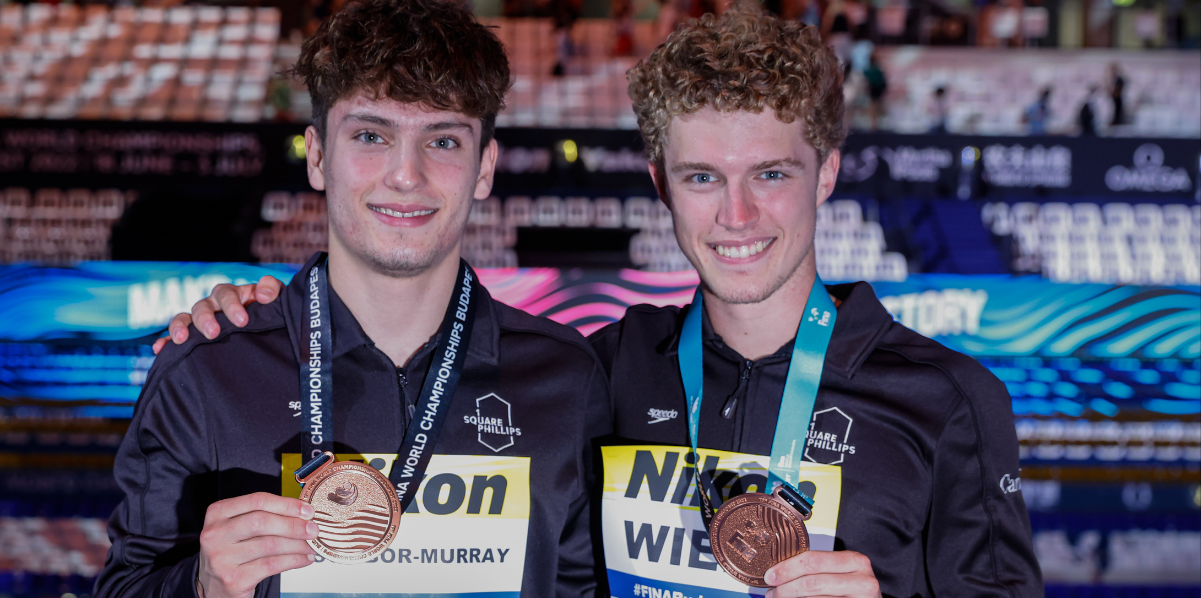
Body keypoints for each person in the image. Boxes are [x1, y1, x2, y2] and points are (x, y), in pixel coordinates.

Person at [162, 5, 1042, 597]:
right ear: (662, 184)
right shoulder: (609, 370)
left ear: (827, 178)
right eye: (703, 177)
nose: (736, 215)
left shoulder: (949, 402)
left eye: (770, 174)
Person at [97, 1, 610, 597]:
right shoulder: (206, 372)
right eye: (371, 135)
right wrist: (203, 586)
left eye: (443, 141)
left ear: (484, 168)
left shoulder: (565, 377)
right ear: (317, 155)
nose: (406, 175)